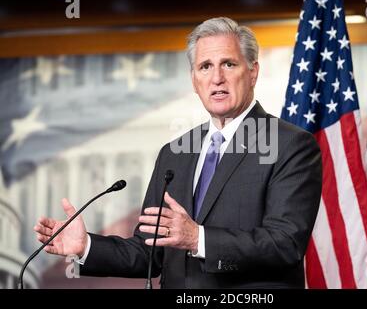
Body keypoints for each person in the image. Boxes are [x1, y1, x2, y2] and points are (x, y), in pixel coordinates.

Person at [34, 17, 322, 288]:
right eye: (205, 66)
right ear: (194, 79)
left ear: (253, 72)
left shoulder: (290, 145)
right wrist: (86, 246)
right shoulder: (174, 153)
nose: (217, 78)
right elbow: (149, 253)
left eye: (229, 64)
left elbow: (285, 244)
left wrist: (198, 239)